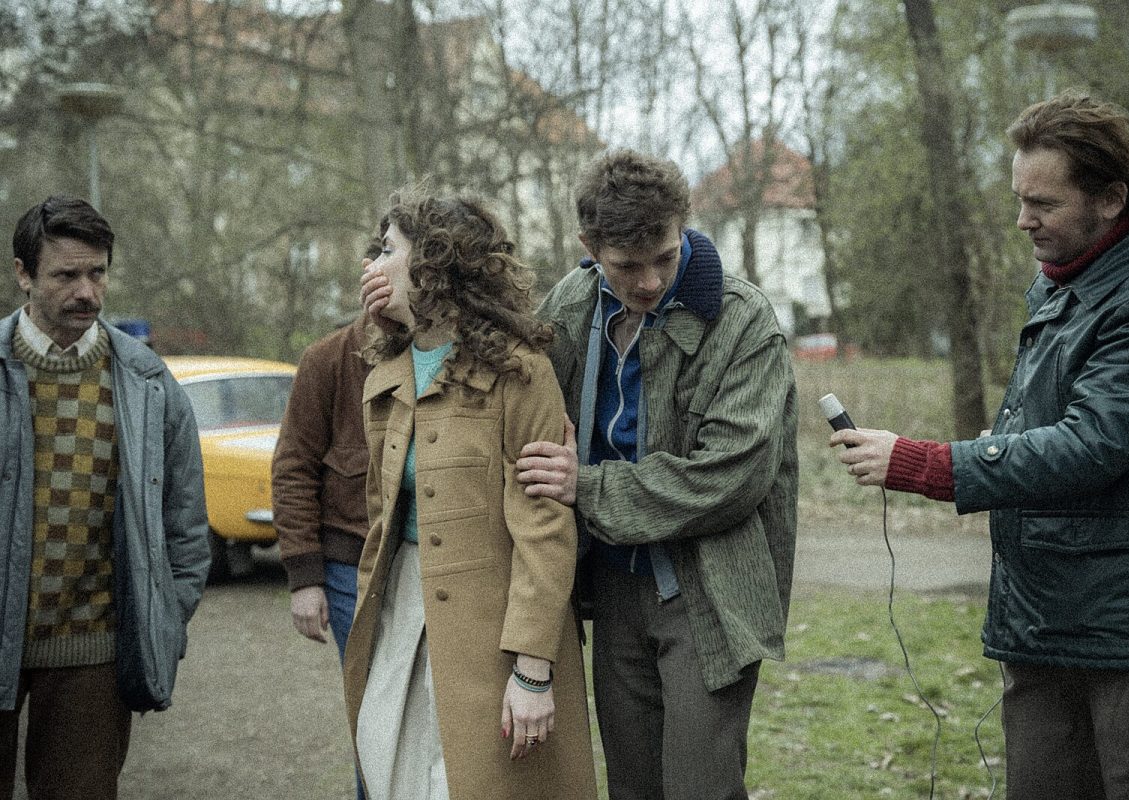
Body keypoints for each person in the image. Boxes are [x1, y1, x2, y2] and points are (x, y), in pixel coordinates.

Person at [830, 91, 1129, 799]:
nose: (1022, 220)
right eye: (1019, 199)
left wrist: (924, 462)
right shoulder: (1062, 287)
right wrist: (1005, 445)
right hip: (1048, 625)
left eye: (1043, 203)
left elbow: (1091, 445)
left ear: (1111, 199)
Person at [516, 149, 800, 800]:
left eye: (665, 258)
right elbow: (515, 398)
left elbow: (731, 477)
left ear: (683, 227)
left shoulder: (742, 320)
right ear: (590, 248)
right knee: (632, 786)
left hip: (709, 589)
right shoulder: (570, 306)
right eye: (626, 265)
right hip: (613, 585)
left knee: (701, 786)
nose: (648, 282)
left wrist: (587, 487)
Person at [344, 191, 597, 800]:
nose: (372, 266)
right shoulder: (387, 371)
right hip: (402, 612)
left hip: (498, 628)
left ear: (433, 263)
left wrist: (533, 670)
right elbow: (380, 519)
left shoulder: (520, 371)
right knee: (398, 774)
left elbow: (544, 528)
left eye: (388, 251)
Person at [0, 195, 210, 799]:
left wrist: (163, 617)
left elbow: (185, 525)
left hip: (92, 648)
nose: (86, 292)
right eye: (66, 275)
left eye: (98, 273)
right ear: (23, 274)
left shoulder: (147, 381)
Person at [271, 227, 382, 800]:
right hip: (348, 570)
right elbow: (293, 468)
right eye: (377, 262)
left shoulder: (439, 352)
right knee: (374, 714)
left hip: (425, 561)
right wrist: (305, 578)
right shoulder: (326, 360)